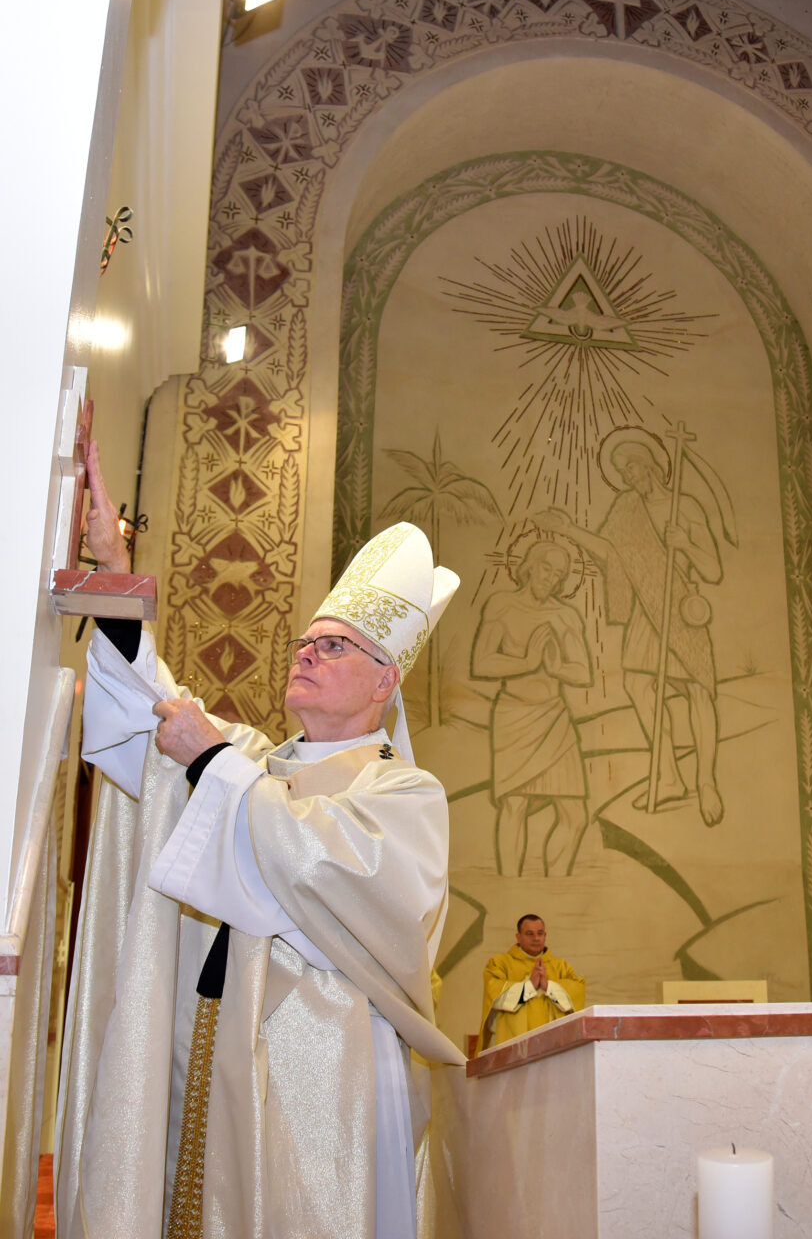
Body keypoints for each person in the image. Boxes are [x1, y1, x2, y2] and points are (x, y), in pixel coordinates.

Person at [56, 443, 464, 1239]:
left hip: (328, 1070)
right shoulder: (254, 761)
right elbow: (155, 712)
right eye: (306, 641)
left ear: (386, 679)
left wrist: (211, 762)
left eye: (334, 645)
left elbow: (329, 870)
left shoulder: (403, 794)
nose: (307, 652)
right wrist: (114, 570)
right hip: (211, 1039)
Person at [543, 436, 724, 825]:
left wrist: (685, 545)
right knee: (639, 685)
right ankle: (669, 776)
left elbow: (712, 570)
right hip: (645, 610)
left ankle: (706, 782)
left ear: (650, 465)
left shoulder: (685, 507)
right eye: (622, 471)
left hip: (680, 608)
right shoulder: (627, 508)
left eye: (631, 466)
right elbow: (610, 553)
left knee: (696, 690)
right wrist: (570, 529)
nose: (628, 476)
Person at [471, 540, 592, 877]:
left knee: (575, 815)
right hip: (515, 714)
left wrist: (557, 668)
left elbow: (583, 672)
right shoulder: (502, 606)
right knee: (515, 805)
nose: (550, 578)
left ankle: (556, 882)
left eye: (558, 574)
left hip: (554, 715)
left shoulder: (565, 616)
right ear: (529, 567)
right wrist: (526, 662)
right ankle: (511, 885)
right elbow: (482, 662)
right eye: (545, 568)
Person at [476, 915, 585, 1054]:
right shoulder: (500, 964)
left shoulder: (560, 966)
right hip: (513, 1047)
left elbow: (578, 993)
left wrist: (548, 986)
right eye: (529, 934)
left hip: (553, 1045)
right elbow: (494, 996)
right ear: (518, 937)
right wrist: (529, 986)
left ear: (545, 936)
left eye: (540, 933)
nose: (536, 938)